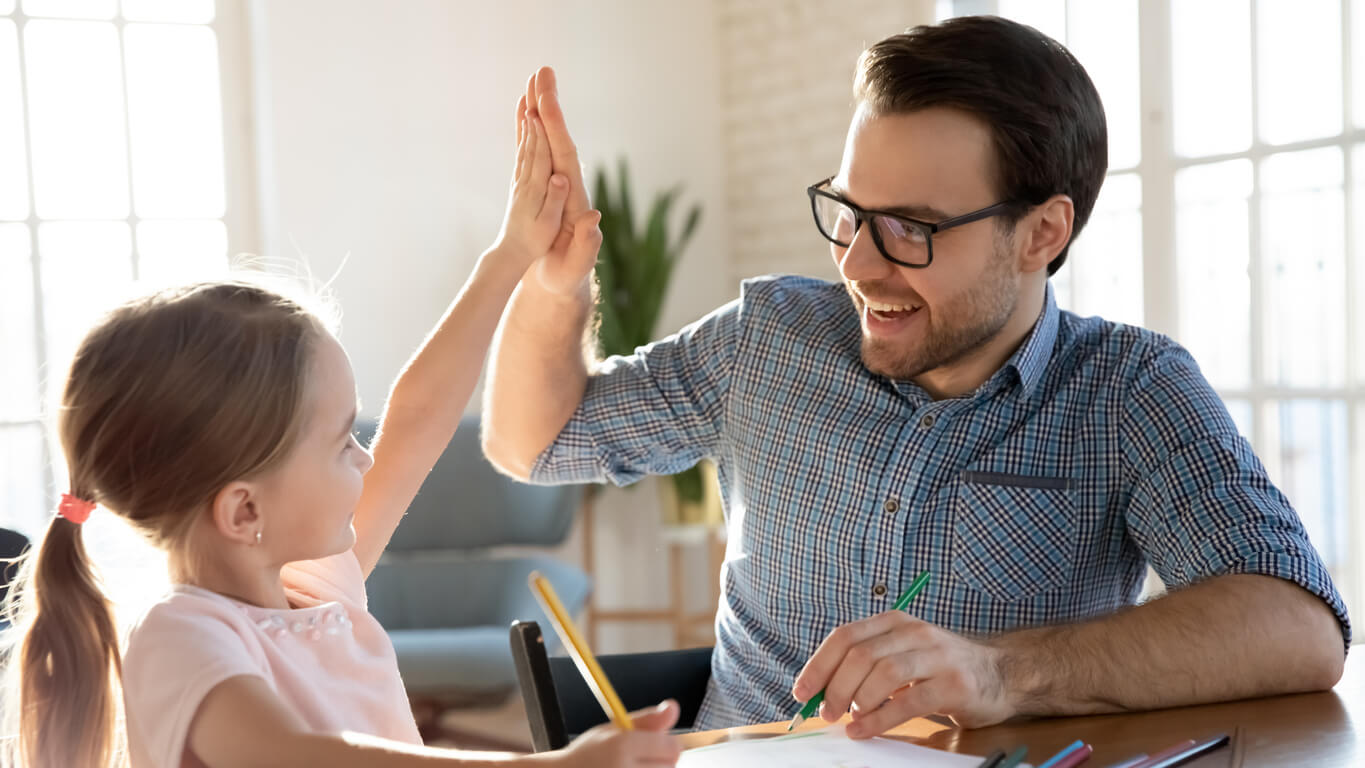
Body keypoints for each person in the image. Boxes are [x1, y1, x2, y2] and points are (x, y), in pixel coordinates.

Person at [482, 17, 1349, 739]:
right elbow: (533, 443)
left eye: (910, 228)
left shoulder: (1128, 390)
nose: (858, 263)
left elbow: (1298, 630)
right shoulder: (767, 339)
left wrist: (1000, 671)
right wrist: (557, 282)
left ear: (1042, 233)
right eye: (851, 213)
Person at [2, 87, 681, 767]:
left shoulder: (316, 589)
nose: (364, 460)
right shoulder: (182, 637)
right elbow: (308, 757)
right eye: (341, 444)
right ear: (243, 509)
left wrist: (512, 254)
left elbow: (416, 418)